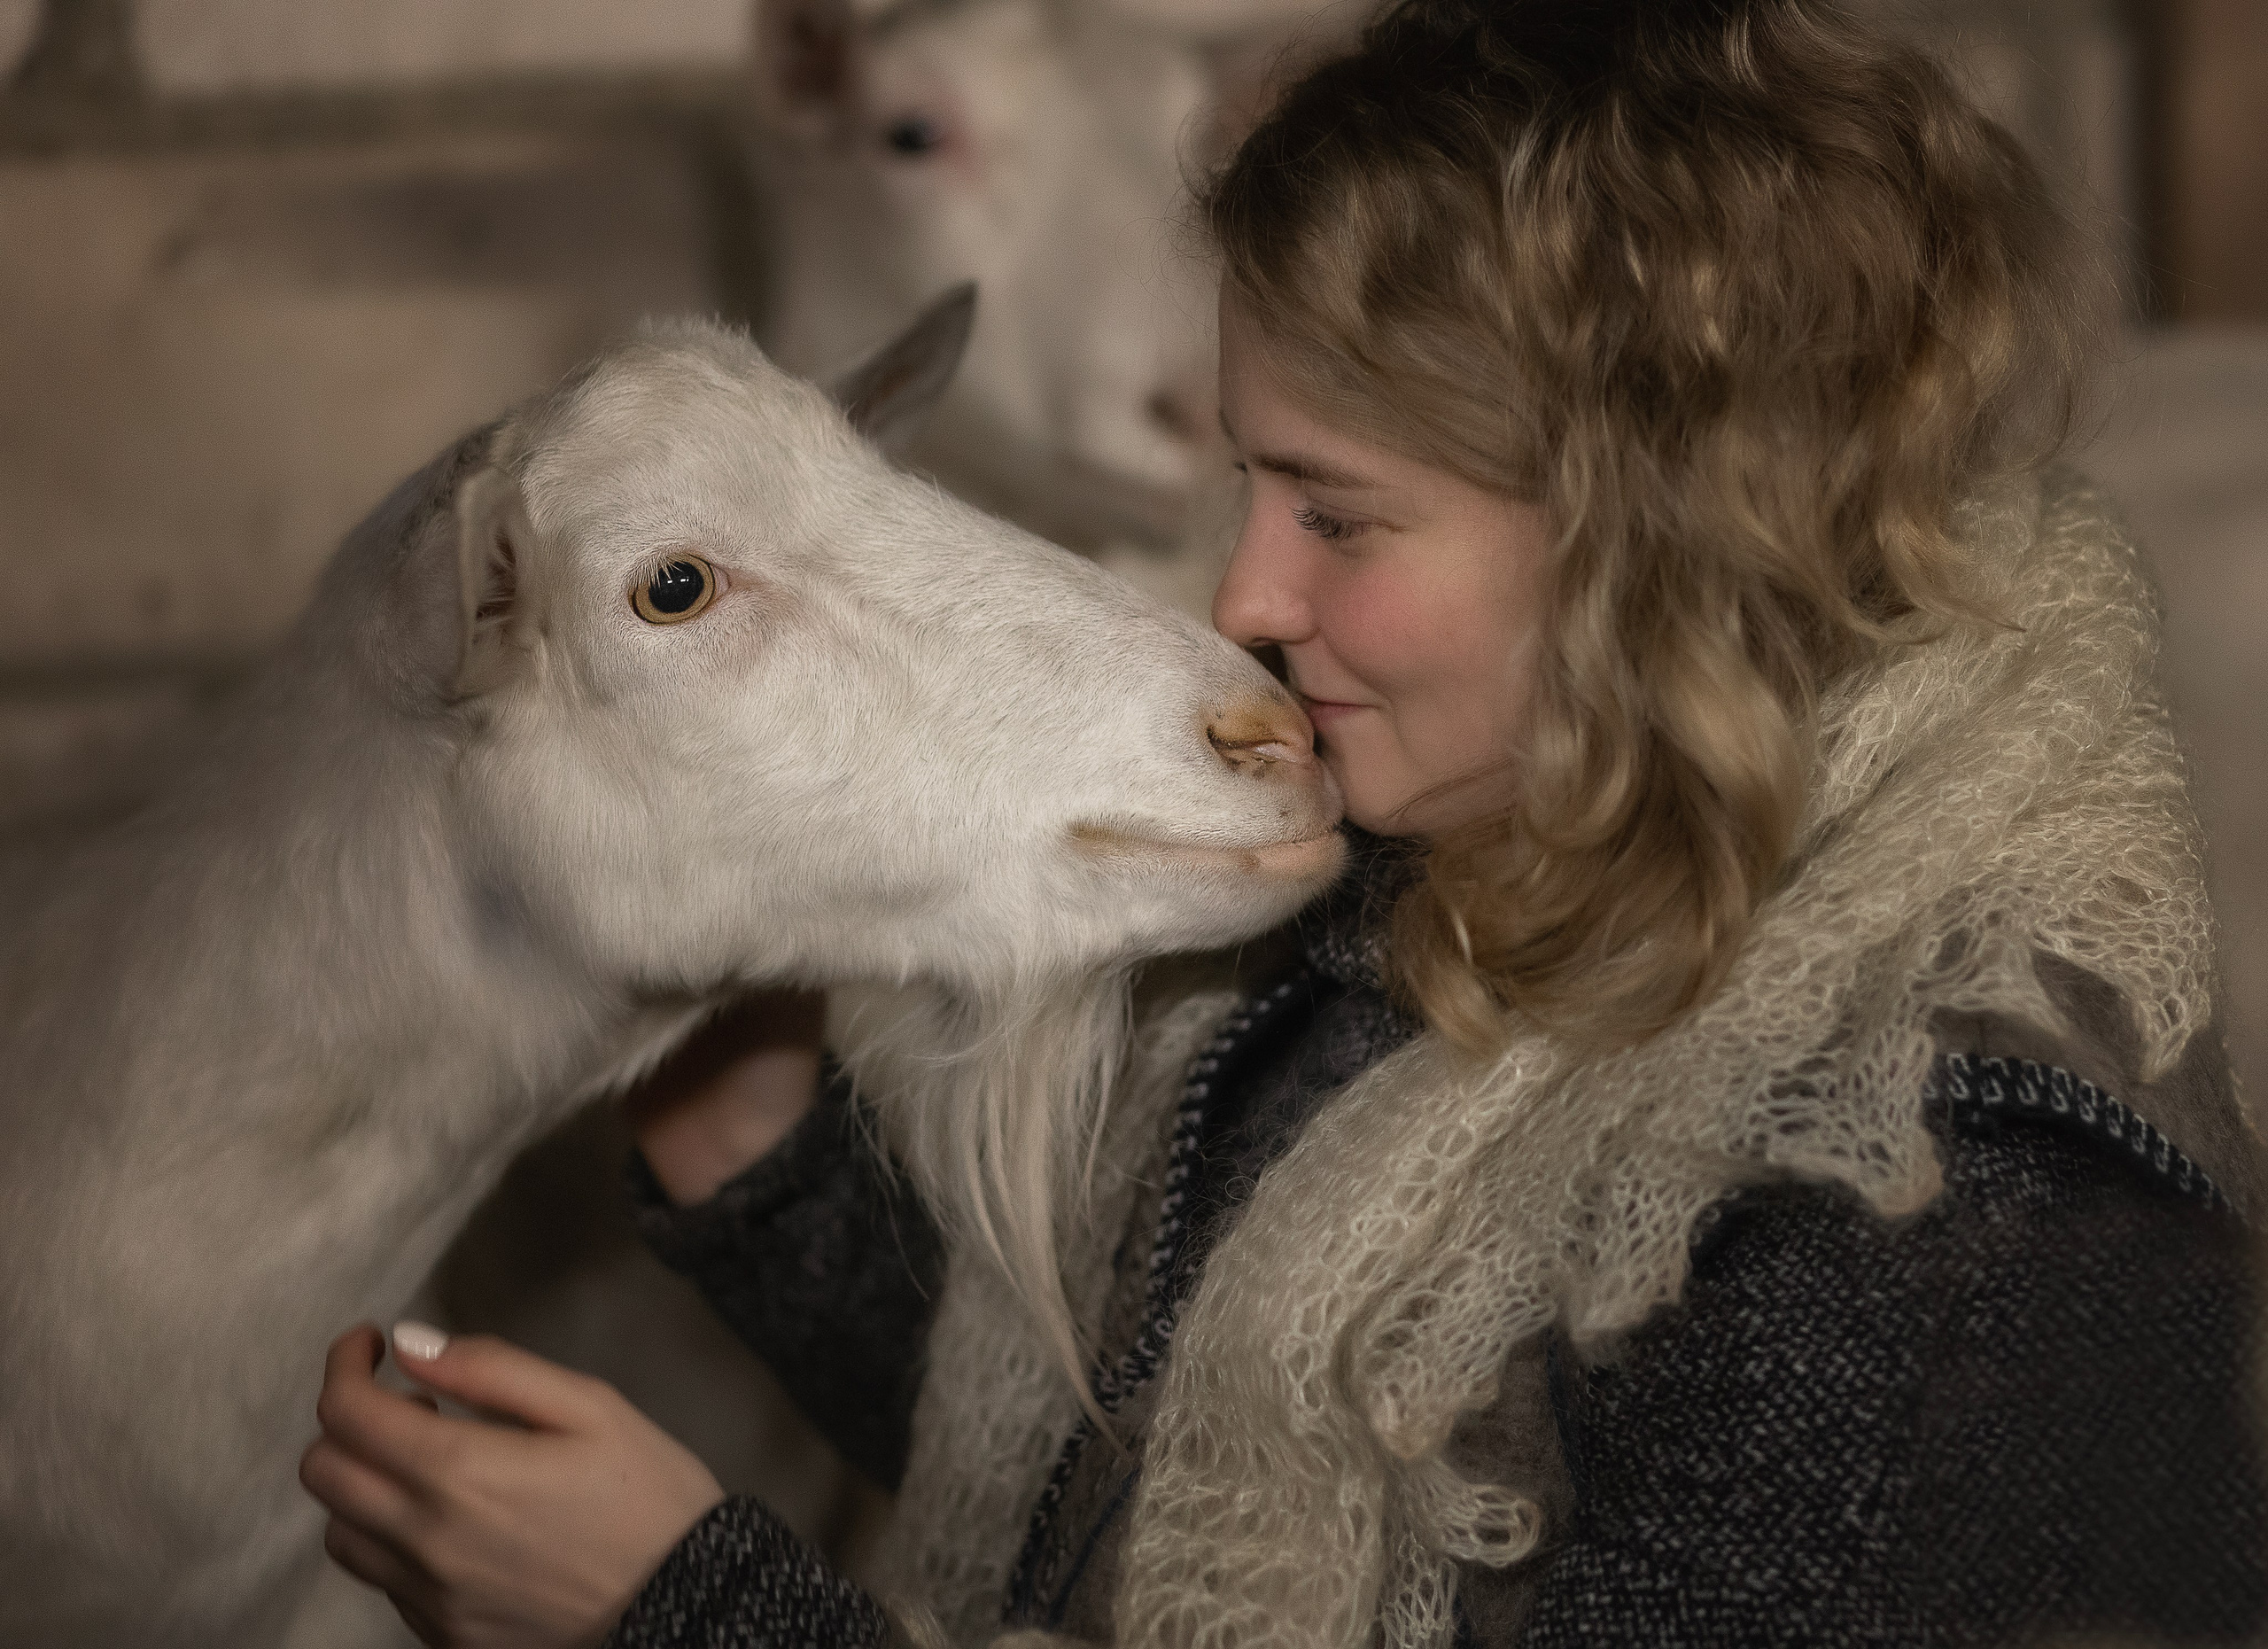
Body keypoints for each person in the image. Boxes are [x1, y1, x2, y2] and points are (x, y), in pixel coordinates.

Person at [299, 2, 2268, 1644]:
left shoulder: (1960, 1216)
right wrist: (763, 1149)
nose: (1243, 596)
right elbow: (1146, 1474)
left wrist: (687, 1611)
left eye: (1334, 514)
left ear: (1658, 528)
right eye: (1248, 483)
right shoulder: (1466, 868)